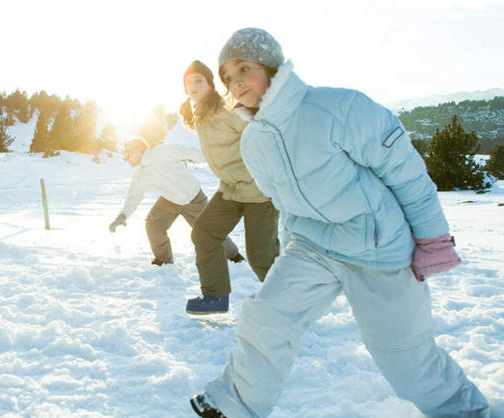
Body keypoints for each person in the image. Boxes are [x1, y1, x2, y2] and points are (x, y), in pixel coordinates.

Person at [190, 29, 489, 417]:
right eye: (228, 76)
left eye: (244, 68)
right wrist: (290, 250)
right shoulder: (254, 141)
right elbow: (285, 203)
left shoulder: (338, 107)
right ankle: (234, 404)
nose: (236, 82)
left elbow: (407, 173)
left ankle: (466, 412)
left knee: (405, 359)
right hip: (312, 246)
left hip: (377, 246)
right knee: (267, 319)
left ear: (272, 68)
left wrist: (433, 239)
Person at [180, 61, 279, 315]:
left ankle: (287, 298)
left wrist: (271, 174)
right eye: (189, 82)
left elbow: (258, 134)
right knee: (203, 233)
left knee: (260, 256)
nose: (193, 86)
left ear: (211, 84)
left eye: (199, 80)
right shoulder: (199, 114)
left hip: (258, 191)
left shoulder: (227, 109)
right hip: (231, 190)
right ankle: (215, 296)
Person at [109, 137, 209, 266]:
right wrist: (123, 215)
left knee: (207, 231)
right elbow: (134, 197)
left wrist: (211, 157)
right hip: (170, 200)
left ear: (136, 152)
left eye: (127, 155)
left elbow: (187, 152)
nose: (126, 159)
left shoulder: (162, 152)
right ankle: (163, 259)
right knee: (153, 224)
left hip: (193, 198)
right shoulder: (141, 175)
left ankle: (234, 256)